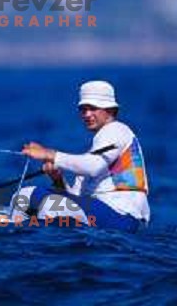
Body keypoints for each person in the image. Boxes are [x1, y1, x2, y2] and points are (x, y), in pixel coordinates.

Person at [18, 80, 150, 232]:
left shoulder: (117, 130)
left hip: (125, 217)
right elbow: (75, 196)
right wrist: (57, 179)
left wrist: (50, 154)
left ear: (110, 111)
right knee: (26, 197)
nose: (87, 114)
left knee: (37, 198)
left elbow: (93, 167)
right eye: (83, 109)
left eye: (93, 108)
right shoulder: (94, 153)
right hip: (108, 218)